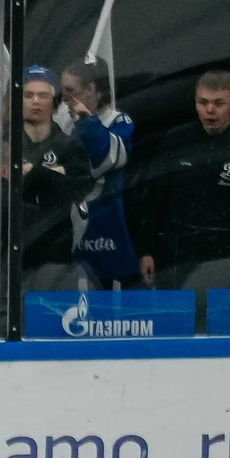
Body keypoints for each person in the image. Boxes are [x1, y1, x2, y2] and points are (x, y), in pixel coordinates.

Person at [132, 70, 230, 291]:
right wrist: (146, 251)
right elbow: (153, 200)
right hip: (178, 256)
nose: (210, 110)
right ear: (195, 103)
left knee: (224, 313)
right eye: (203, 102)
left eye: (219, 103)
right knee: (179, 312)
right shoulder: (176, 141)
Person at [57, 59, 138, 289]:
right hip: (69, 225)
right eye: (62, 91)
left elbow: (108, 160)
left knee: (109, 299)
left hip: (108, 228)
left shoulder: (119, 121)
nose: (64, 98)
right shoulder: (66, 123)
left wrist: (88, 122)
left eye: (70, 91)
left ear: (91, 89)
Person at [15, 65, 94, 293]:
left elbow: (80, 188)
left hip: (54, 253)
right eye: (28, 95)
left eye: (43, 95)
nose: (35, 101)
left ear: (55, 102)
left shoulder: (70, 146)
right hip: (10, 251)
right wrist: (54, 173)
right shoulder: (3, 145)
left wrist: (36, 173)